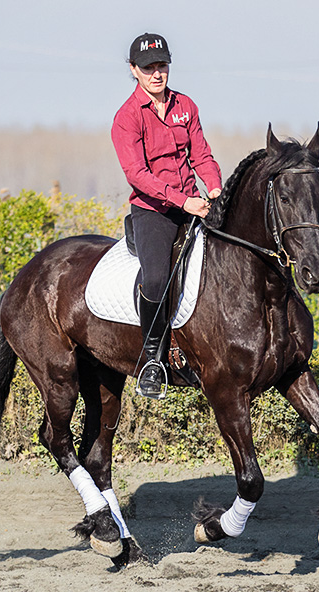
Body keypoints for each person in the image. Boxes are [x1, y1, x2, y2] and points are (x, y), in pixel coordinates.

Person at [111, 32, 222, 399]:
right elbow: (137, 176)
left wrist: (216, 188)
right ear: (133, 70)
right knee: (157, 279)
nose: (157, 74)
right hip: (153, 211)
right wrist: (183, 201)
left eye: (162, 66)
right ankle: (152, 360)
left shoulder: (185, 106)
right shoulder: (127, 118)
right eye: (148, 68)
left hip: (194, 203)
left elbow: (202, 155)